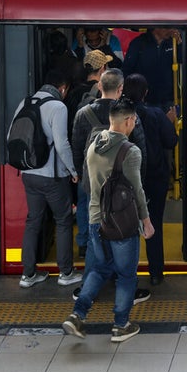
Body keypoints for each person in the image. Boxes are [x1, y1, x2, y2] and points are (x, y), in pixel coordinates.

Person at [62, 97, 155, 343]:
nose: (134, 124)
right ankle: (120, 325)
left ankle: (77, 314)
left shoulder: (93, 145)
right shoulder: (130, 151)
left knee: (99, 268)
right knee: (126, 275)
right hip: (122, 223)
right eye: (134, 120)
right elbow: (137, 190)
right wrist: (146, 221)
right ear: (128, 121)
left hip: (96, 219)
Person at [70, 68, 150, 303]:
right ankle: (125, 288)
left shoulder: (83, 114)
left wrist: (84, 178)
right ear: (121, 89)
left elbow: (77, 149)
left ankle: (88, 289)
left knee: (95, 236)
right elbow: (141, 150)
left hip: (93, 186)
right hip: (123, 190)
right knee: (123, 235)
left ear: (100, 86)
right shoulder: (128, 114)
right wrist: (140, 185)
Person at [14, 69, 83, 289]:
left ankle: (28, 275)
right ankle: (66, 272)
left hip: (28, 174)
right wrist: (73, 171)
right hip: (52, 177)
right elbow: (62, 144)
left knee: (33, 221)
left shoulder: (25, 103)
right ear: (63, 88)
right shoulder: (58, 107)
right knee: (63, 220)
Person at [123, 73, 179, 286]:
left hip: (126, 180)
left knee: (125, 225)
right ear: (145, 93)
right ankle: (156, 273)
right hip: (155, 178)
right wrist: (169, 122)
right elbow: (171, 141)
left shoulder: (119, 115)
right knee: (153, 223)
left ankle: (125, 274)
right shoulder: (155, 114)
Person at [65, 49, 113, 258]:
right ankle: (100, 243)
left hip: (82, 158)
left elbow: (72, 132)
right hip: (101, 158)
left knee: (83, 201)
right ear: (102, 68)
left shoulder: (73, 93)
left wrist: (75, 167)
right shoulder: (101, 93)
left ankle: (84, 243)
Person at [123, 28, 181, 111]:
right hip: (145, 98)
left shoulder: (173, 42)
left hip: (168, 98)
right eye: (167, 26)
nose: (170, 30)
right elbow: (127, 69)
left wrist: (179, 44)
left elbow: (183, 59)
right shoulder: (138, 43)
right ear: (156, 27)